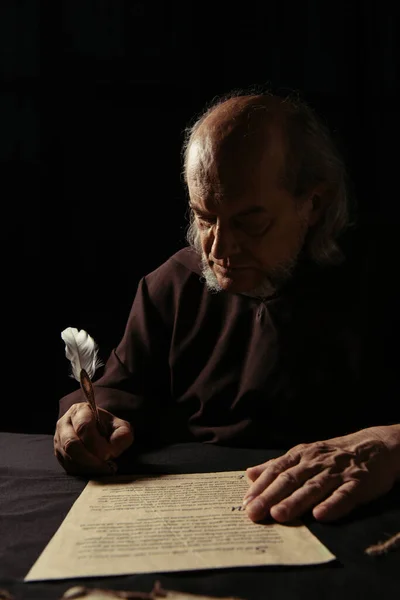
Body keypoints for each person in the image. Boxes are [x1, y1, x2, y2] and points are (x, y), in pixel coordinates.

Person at [55, 90, 400, 525]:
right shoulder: (175, 285)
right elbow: (119, 392)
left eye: (249, 222)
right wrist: (88, 421)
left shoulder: (385, 276)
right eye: (204, 218)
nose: (218, 249)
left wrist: (389, 444)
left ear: (314, 204)